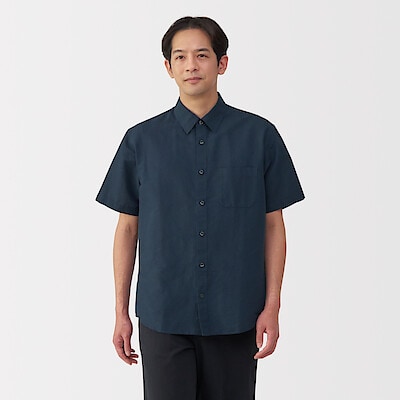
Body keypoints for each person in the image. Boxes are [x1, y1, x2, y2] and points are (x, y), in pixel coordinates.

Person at [96, 16, 305, 400]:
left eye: (202, 55)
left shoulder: (259, 136)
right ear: (168, 67)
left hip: (236, 313)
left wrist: (273, 305)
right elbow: (127, 228)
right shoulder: (141, 141)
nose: (191, 65)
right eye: (180, 56)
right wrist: (120, 311)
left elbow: (273, 225)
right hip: (163, 314)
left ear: (222, 63)